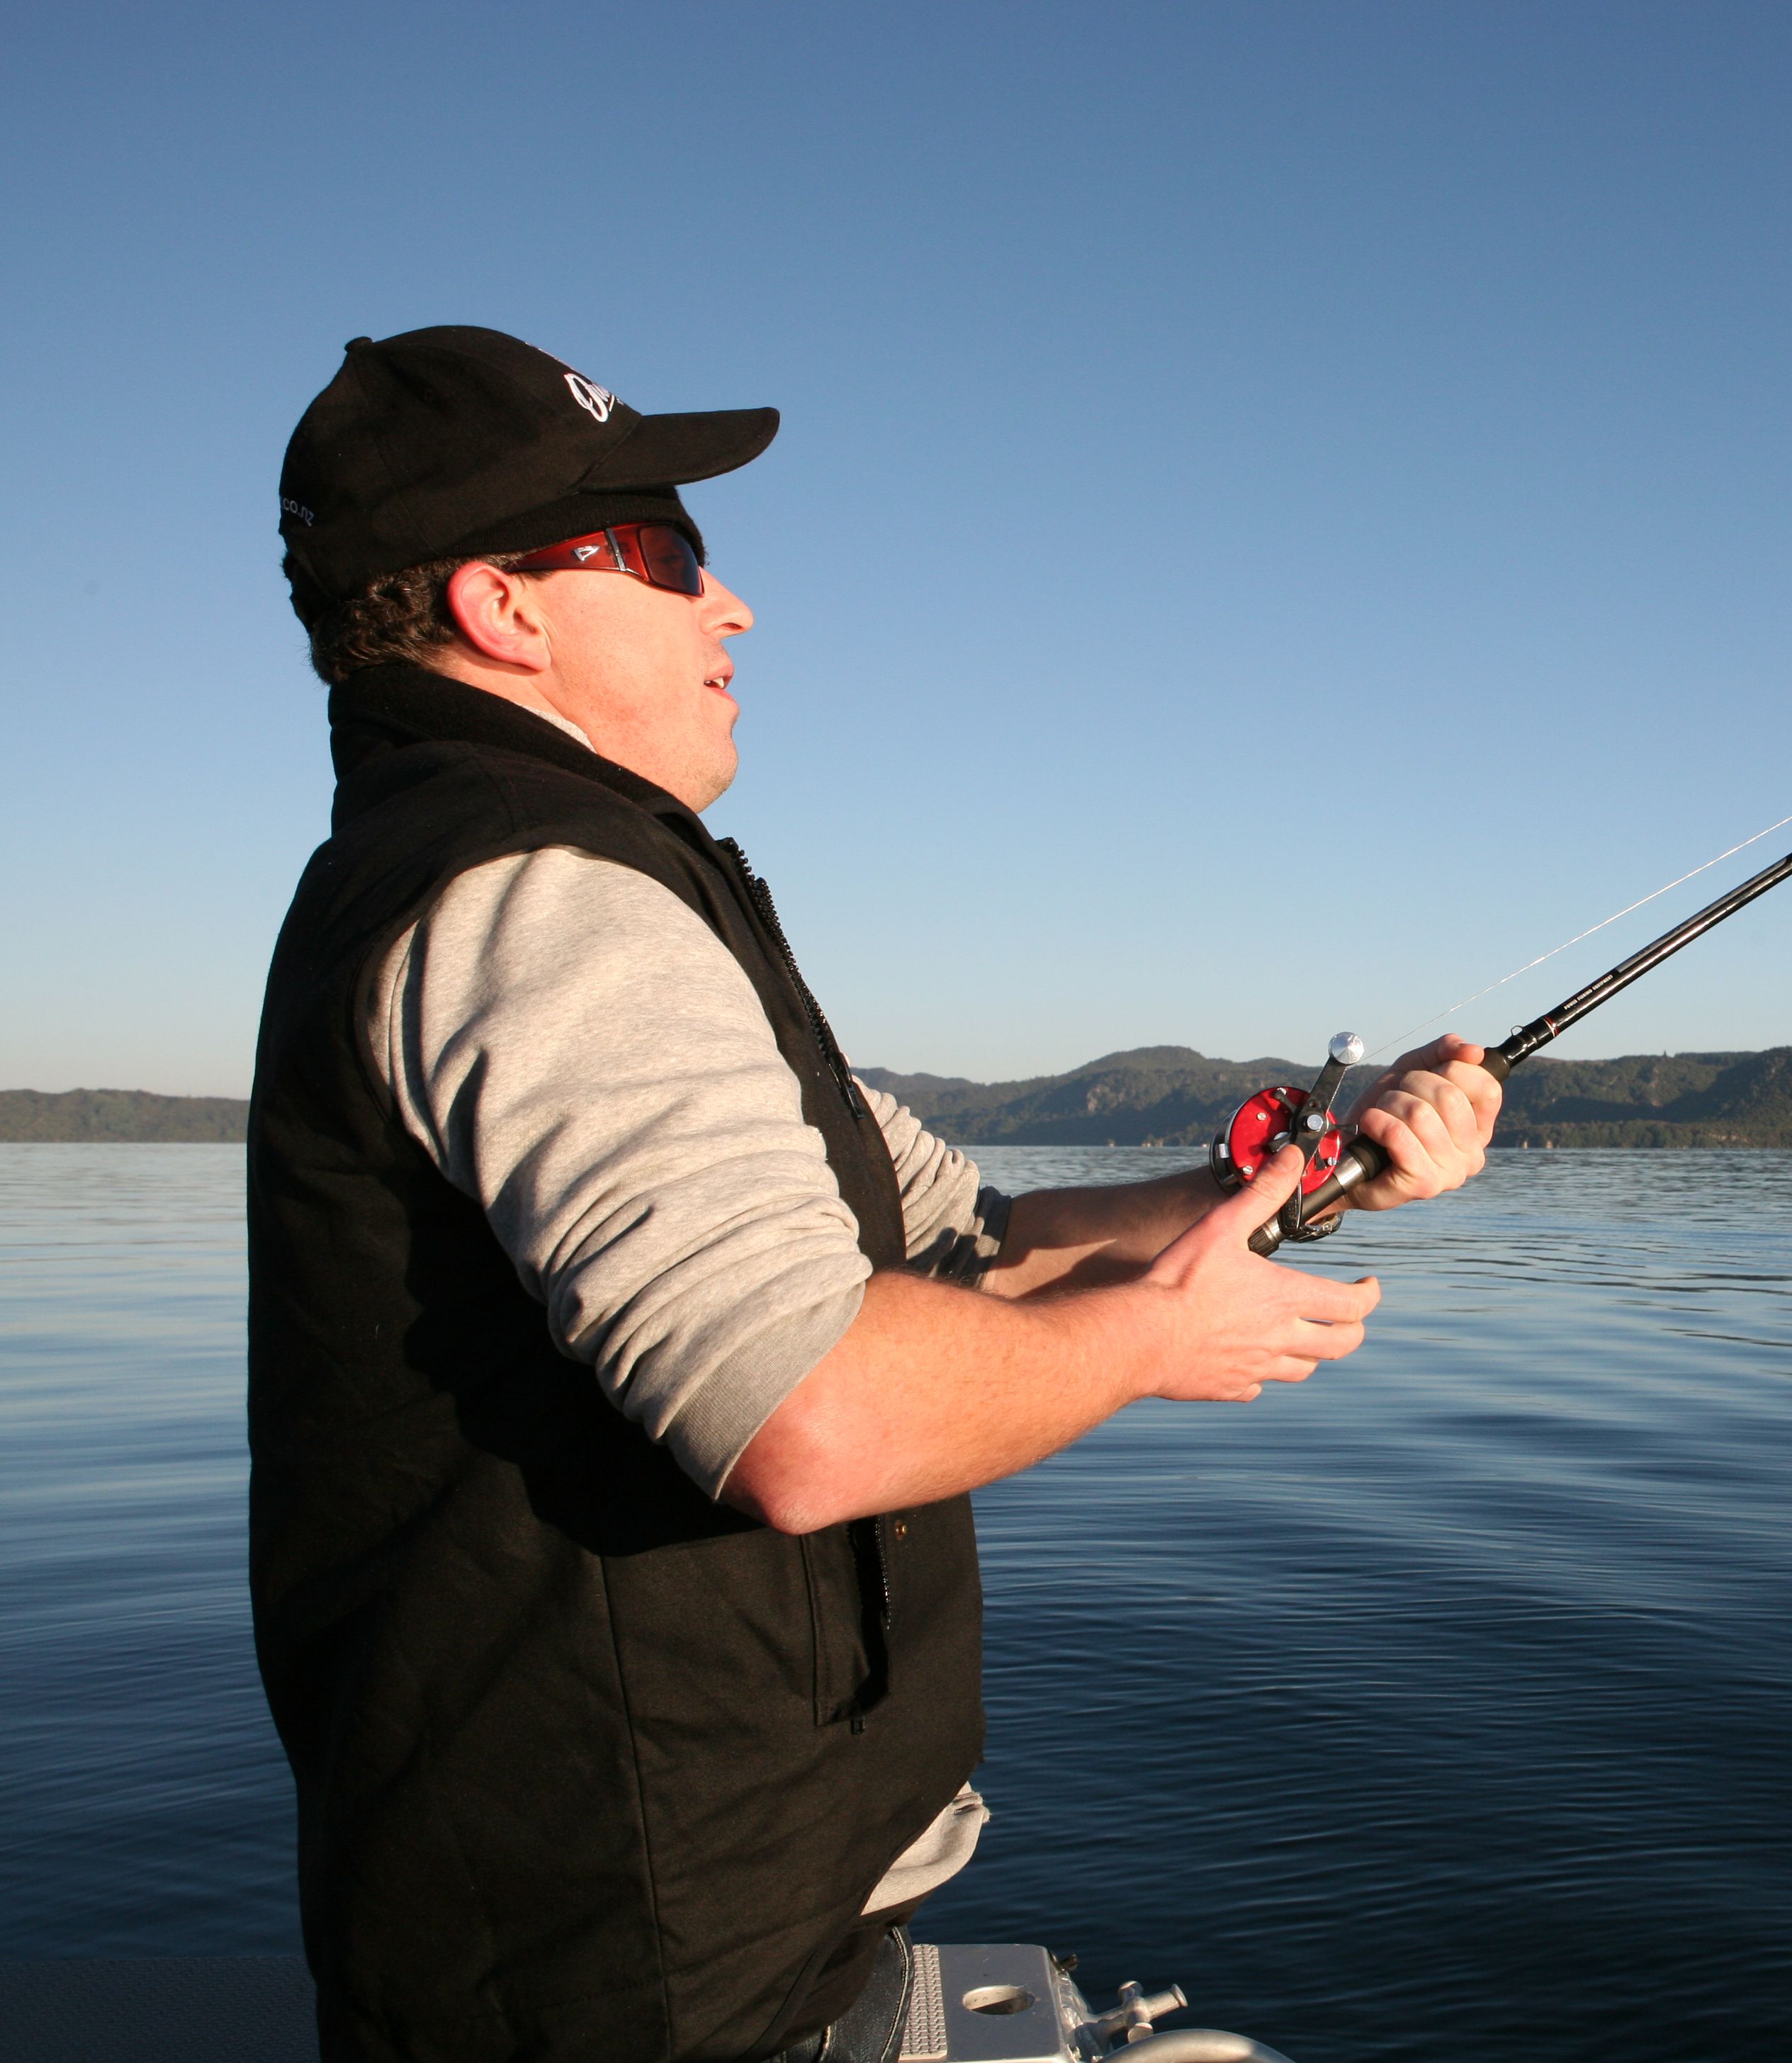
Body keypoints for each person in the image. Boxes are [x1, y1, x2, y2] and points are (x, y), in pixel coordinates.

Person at [249, 327, 1502, 2063]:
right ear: (502, 608)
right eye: (671, 557)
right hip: (622, 1987)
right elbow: (809, 1409)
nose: (732, 607)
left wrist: (1299, 1161)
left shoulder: (575, 880)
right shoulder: (542, 901)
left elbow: (965, 1241)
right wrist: (1155, 1338)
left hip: (715, 1941)